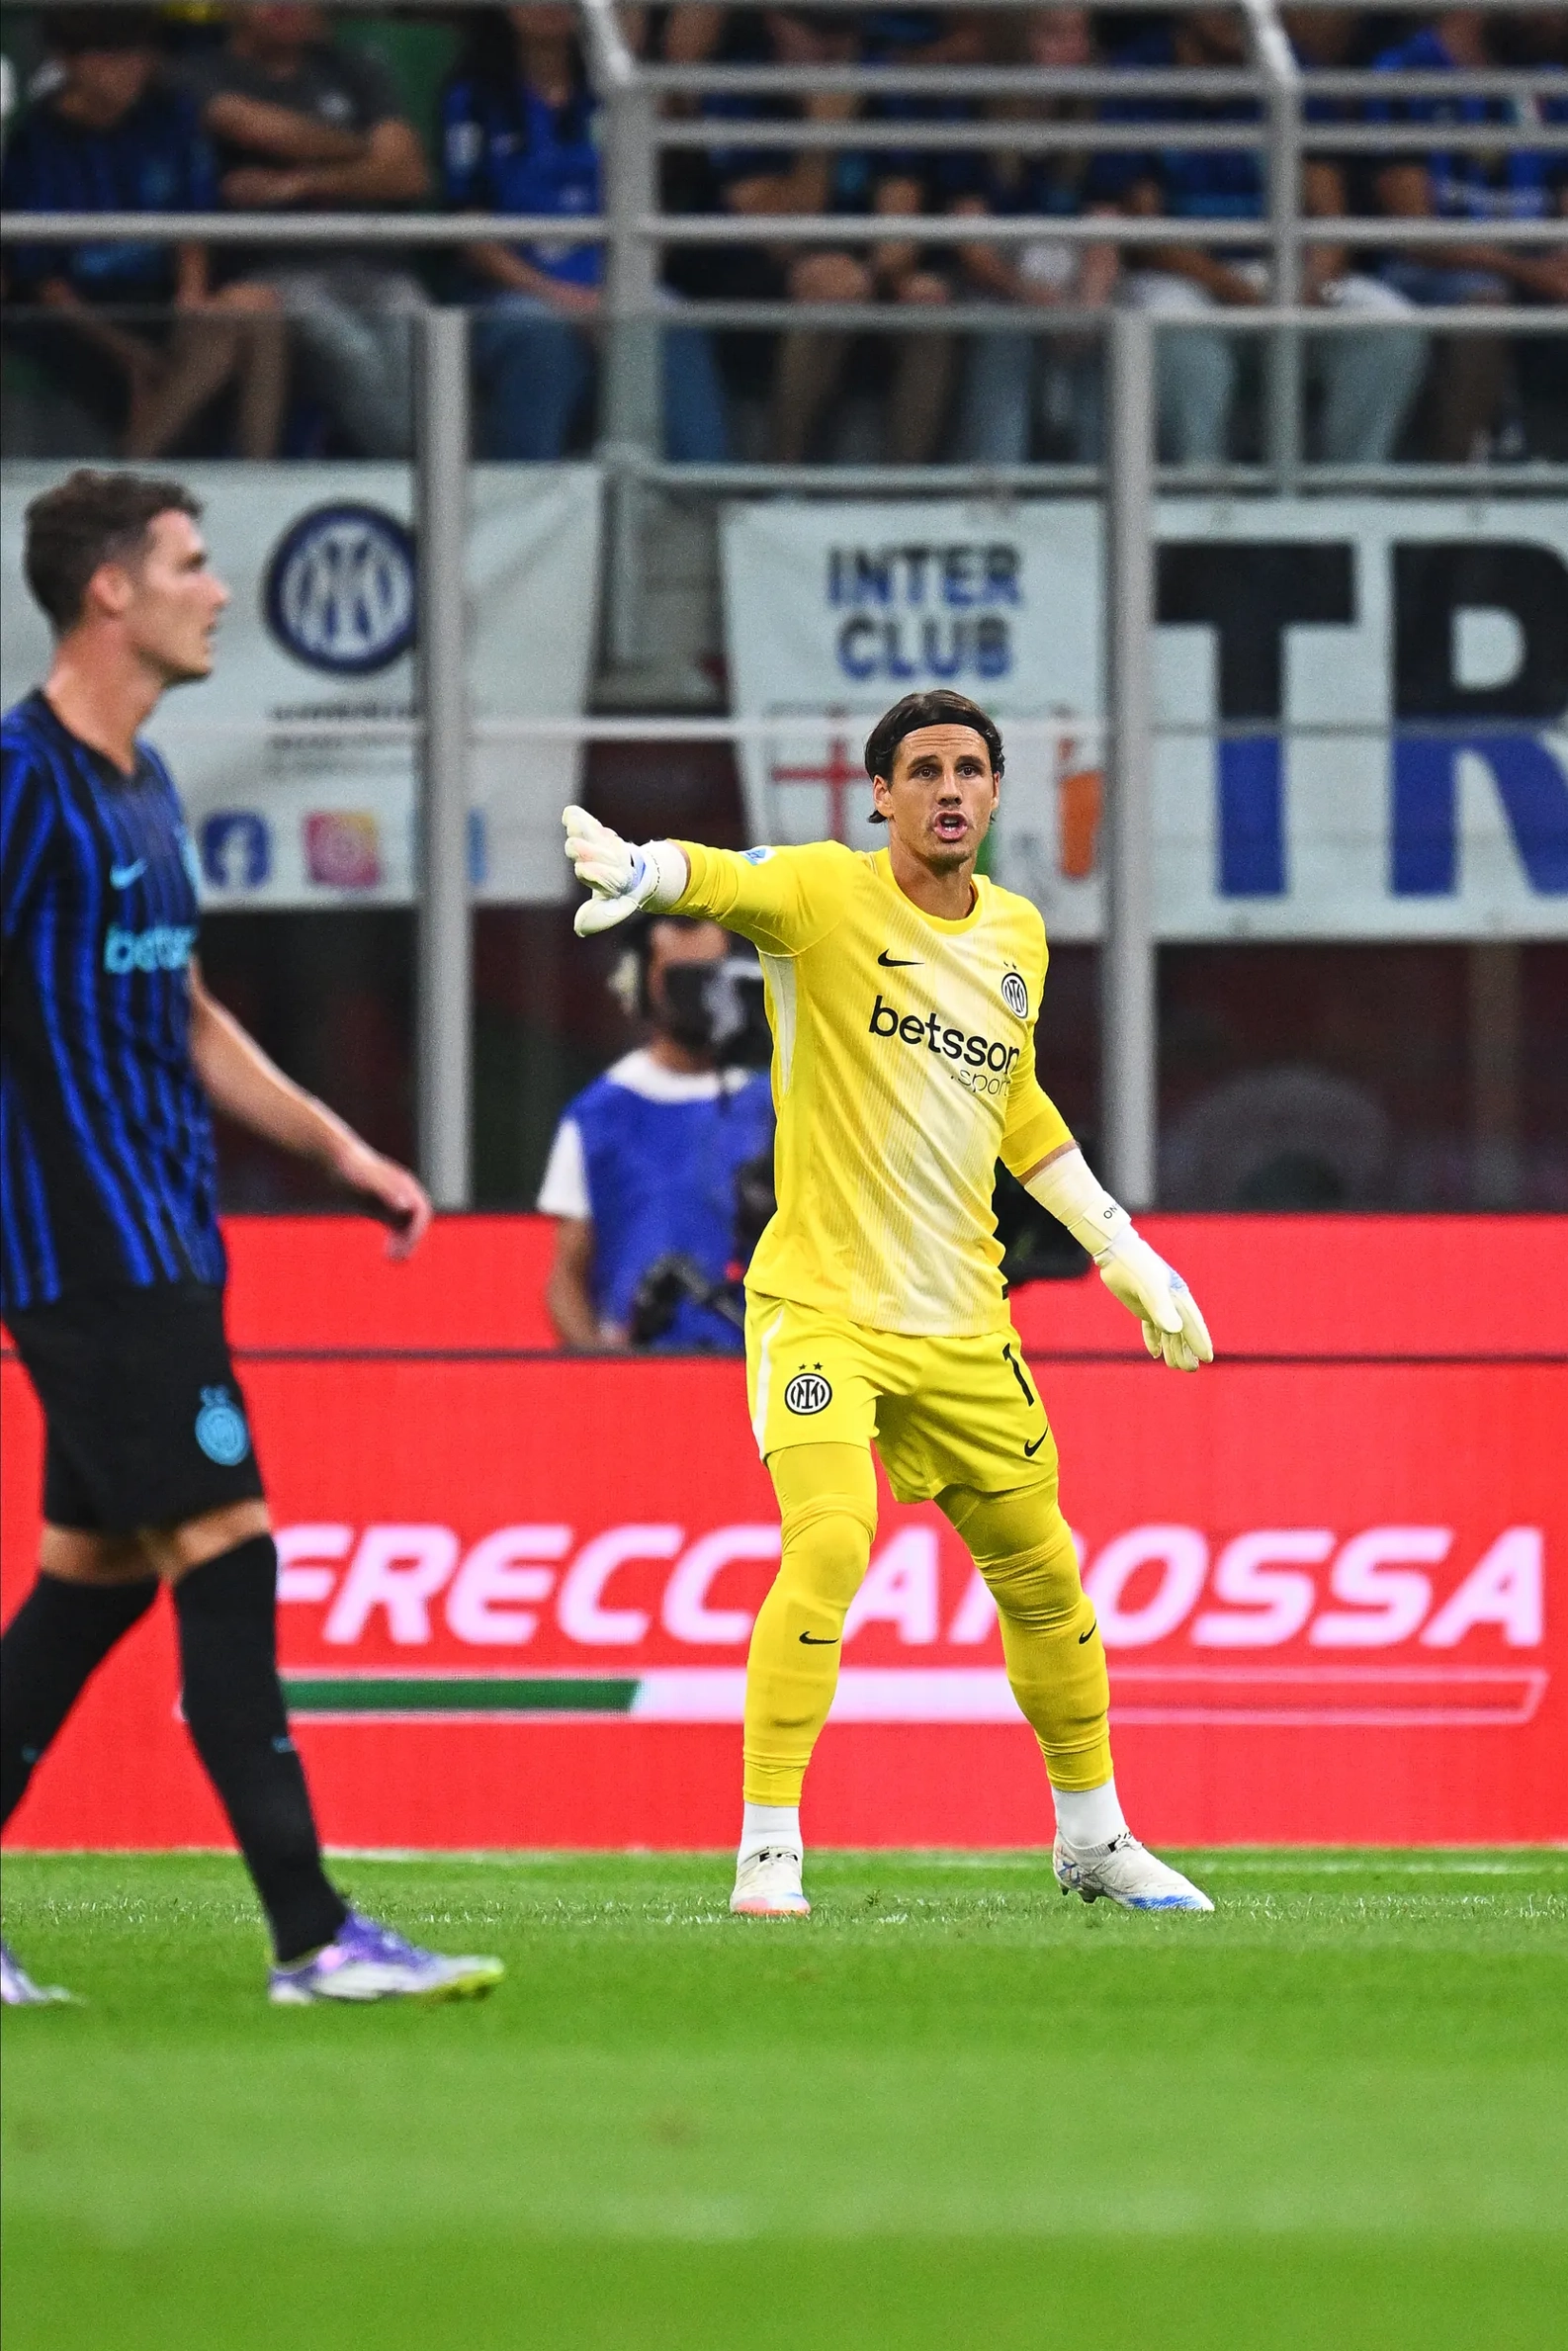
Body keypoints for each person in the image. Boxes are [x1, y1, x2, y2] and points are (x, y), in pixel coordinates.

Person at [563, 688, 1217, 1919]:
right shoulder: (824, 893)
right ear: (880, 794)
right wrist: (645, 871)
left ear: (996, 790)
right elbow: (723, 879)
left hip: (964, 1318)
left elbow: (1015, 1103)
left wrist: (1119, 1244)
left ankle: (1092, 1836)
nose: (948, 788)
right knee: (829, 1543)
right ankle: (767, 1846)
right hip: (820, 1304)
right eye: (922, 770)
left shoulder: (1016, 933)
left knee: (1044, 1580)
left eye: (969, 768)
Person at [0, 471, 501, 2007]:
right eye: (191, 564)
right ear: (109, 590)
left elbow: (189, 1009)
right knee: (230, 1544)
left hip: (167, 1237)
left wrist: (341, 1149)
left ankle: (314, 1937)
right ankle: (312, 1933)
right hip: (88, 1252)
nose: (218, 590)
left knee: (97, 1578)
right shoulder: (19, 784)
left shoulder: (141, 782)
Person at [1094, 5, 1426, 465]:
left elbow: (1329, 217)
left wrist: (1312, 286)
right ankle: (1201, 491)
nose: (1233, 12)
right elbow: (1148, 236)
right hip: (1189, 280)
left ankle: (1349, 491)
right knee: (1172, 321)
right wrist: (1235, 291)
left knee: (1389, 325)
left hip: (1285, 276)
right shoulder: (1140, 75)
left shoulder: (1291, 68)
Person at [441, 5, 727, 464]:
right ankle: (525, 494)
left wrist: (618, 291)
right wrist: (559, 296)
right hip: (514, 291)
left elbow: (649, 211)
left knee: (668, 319)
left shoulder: (614, 95)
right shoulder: (473, 98)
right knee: (542, 335)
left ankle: (705, 489)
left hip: (615, 283)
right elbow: (470, 230)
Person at [1, 7, 286, 459]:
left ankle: (259, 475)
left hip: (162, 300)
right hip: (81, 322)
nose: (132, 69)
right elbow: (44, 283)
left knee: (256, 306)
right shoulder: (34, 146)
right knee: (209, 352)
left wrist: (190, 298)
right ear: (69, 61)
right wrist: (130, 353)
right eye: (112, 56)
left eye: (138, 53)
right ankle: (134, 463)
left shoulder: (168, 116)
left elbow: (193, 220)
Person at [176, 2, 429, 459]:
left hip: (377, 264)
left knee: (424, 345)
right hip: (274, 273)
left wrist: (296, 183)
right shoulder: (198, 73)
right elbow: (261, 129)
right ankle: (421, 476)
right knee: (352, 353)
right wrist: (365, 151)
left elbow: (409, 174)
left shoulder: (355, 66)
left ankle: (436, 475)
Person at [539, 914, 774, 1350]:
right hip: (645, 1374)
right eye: (682, 978)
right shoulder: (597, 1117)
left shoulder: (774, 1105)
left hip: (757, 1369)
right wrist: (600, 1368)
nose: (699, 994)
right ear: (640, 981)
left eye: (711, 974)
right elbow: (566, 1277)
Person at [1368, 5, 1568, 462]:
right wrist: (1525, 269)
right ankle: (1452, 483)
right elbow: (1416, 235)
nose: (1559, 15)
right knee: (1484, 302)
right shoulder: (1404, 74)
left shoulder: (1550, 82)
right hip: (1431, 270)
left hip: (1538, 263)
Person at [949, 6, 1120, 467]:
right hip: (997, 277)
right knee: (1005, 329)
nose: (1074, 49)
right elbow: (972, 248)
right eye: (1055, 35)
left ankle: (1097, 482)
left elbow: (1104, 228)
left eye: (1080, 35)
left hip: (1075, 272)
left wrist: (1087, 305)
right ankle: (998, 483)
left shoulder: (1100, 115)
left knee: (1112, 325)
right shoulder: (973, 113)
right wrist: (1030, 295)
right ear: (1017, 41)